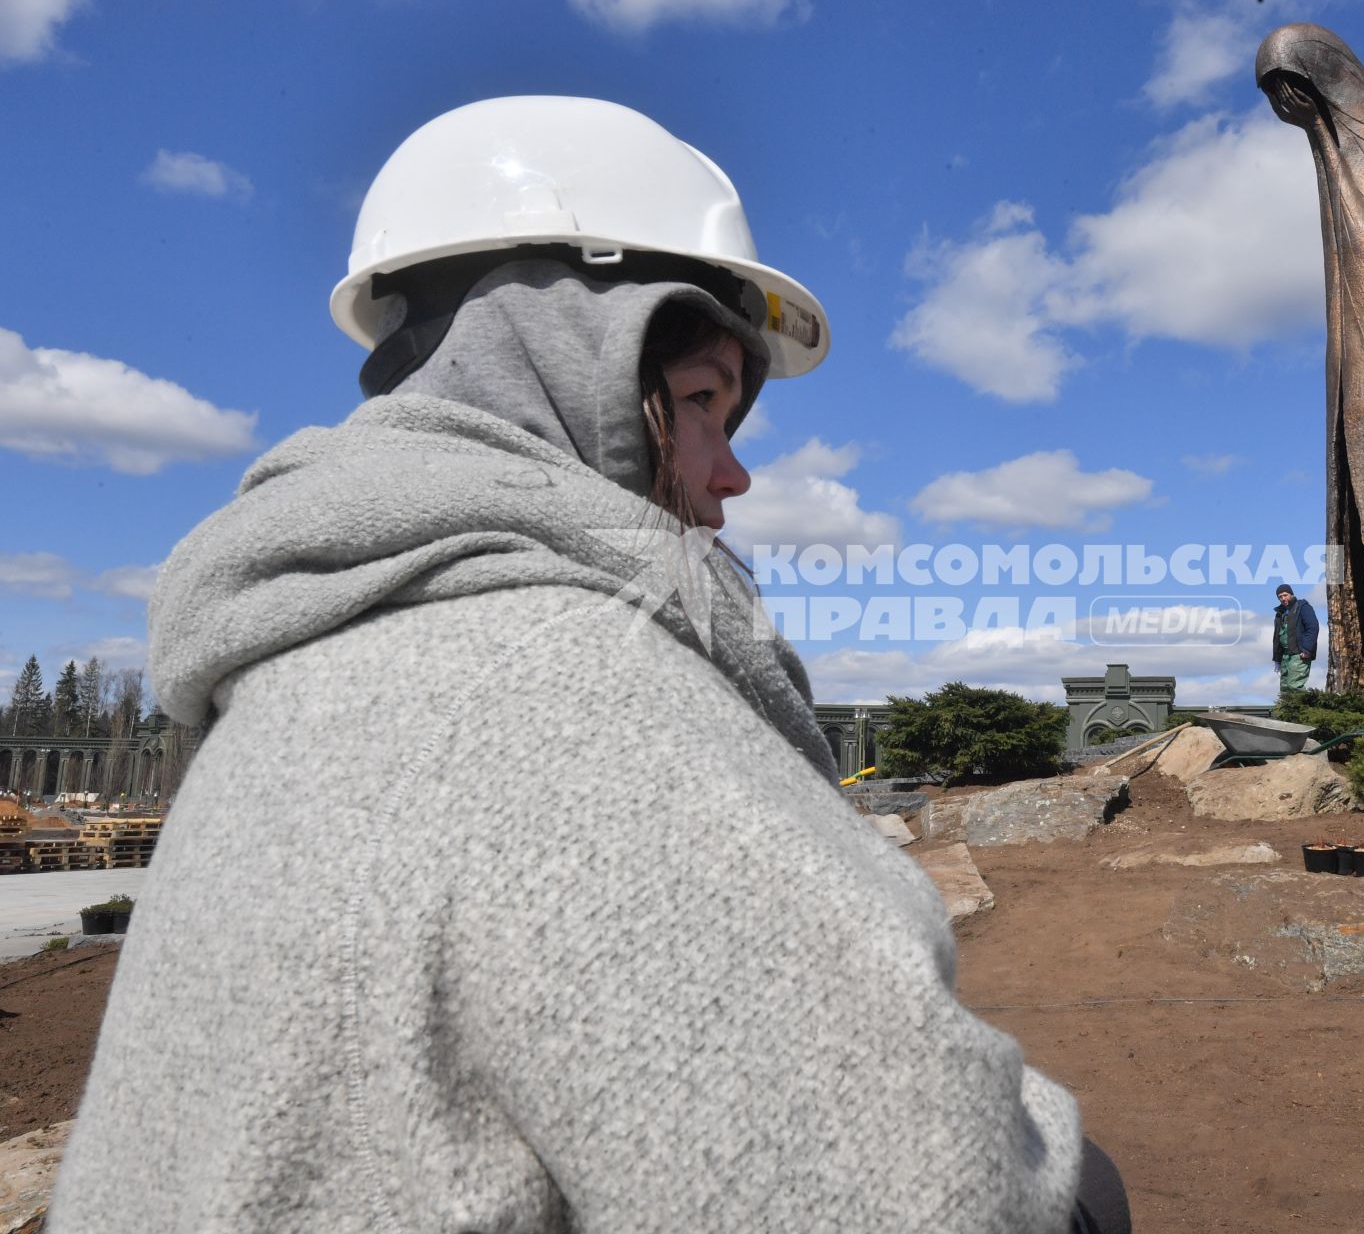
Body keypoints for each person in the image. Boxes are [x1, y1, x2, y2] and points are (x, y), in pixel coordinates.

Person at [52, 97, 1125, 1233]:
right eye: (706, 402)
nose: (732, 475)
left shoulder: (301, 665)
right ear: (586, 362)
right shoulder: (553, 692)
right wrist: (1082, 1187)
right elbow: (935, 1197)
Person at [1271, 583, 1319, 700]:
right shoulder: (1280, 614)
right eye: (1280, 597)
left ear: (1291, 594)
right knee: (1285, 689)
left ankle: (1303, 713)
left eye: (1285, 595)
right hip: (1285, 656)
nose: (1283, 598)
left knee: (1295, 687)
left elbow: (1313, 627)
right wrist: (1277, 659)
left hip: (1299, 654)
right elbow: (1277, 638)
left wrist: (1307, 649)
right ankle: (1287, 716)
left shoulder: (1303, 607)